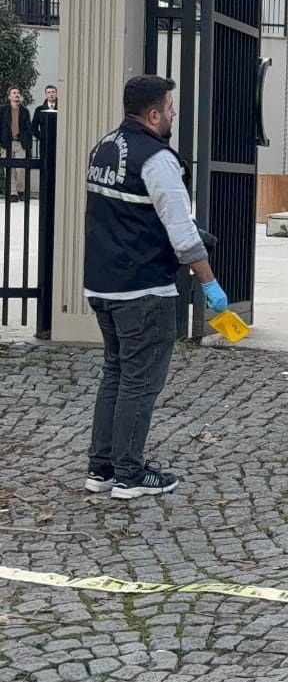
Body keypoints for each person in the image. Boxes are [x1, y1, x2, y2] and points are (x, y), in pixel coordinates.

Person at [83, 75, 229, 500]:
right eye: (169, 107)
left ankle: (101, 467)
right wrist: (210, 284)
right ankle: (129, 473)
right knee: (140, 382)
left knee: (115, 373)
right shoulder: (157, 159)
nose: (173, 114)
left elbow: (128, 213)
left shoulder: (104, 148)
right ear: (152, 114)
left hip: (103, 283)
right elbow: (182, 235)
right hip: (144, 288)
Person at [0, 87, 32, 199]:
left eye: (18, 93)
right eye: (14, 93)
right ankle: (12, 193)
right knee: (9, 169)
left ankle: (20, 190)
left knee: (21, 168)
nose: (16, 95)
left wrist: (28, 142)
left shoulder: (25, 111)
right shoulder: (3, 110)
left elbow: (29, 128)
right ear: (9, 97)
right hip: (6, 143)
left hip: (20, 143)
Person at [32, 84, 57, 154]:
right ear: (46, 94)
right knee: (44, 162)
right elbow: (34, 127)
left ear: (56, 93)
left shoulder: (62, 108)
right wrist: (41, 137)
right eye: (49, 92)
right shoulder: (39, 110)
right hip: (44, 144)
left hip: (59, 143)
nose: (51, 94)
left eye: (53, 92)